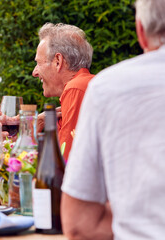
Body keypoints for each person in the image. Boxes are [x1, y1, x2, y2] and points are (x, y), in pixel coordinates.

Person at [61, 0, 165, 239]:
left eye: (38, 62)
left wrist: (137, 212)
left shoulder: (105, 88)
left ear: (141, 32)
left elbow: (78, 224)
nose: (35, 71)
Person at [32, 23, 94, 160]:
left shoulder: (76, 88)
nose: (34, 72)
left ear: (58, 61)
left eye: (38, 63)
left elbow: (63, 164)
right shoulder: (82, 86)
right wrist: (36, 126)